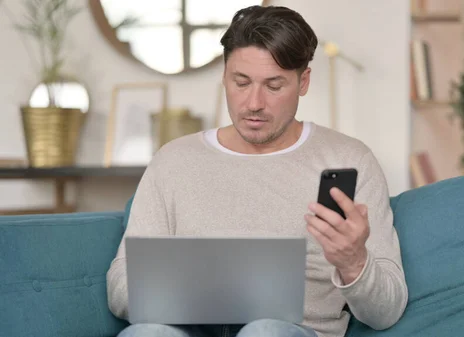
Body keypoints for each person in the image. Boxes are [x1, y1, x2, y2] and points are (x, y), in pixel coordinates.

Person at [106, 4, 408, 337]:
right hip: (187, 330)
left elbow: (388, 310)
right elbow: (120, 287)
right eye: (241, 82)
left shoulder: (350, 159)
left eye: (274, 86)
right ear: (224, 76)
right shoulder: (172, 161)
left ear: (303, 81)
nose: (253, 103)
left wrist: (354, 262)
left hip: (289, 332)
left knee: (264, 332)